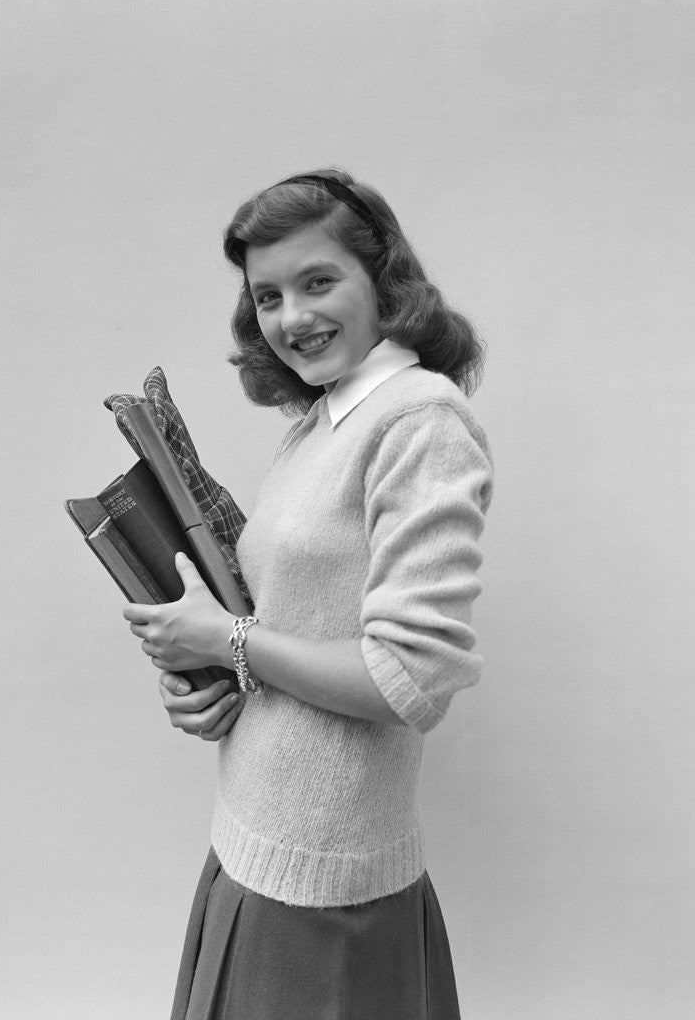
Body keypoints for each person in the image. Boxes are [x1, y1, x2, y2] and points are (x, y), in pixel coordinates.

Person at [123, 169, 493, 1020]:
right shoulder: (321, 424)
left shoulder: (419, 423)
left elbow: (407, 679)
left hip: (330, 889)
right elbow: (288, 623)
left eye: (319, 281)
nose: (292, 317)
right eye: (268, 296)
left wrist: (229, 644)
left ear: (384, 280)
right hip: (253, 843)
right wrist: (211, 681)